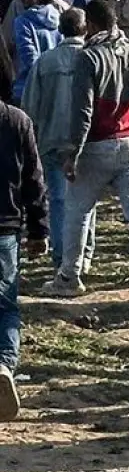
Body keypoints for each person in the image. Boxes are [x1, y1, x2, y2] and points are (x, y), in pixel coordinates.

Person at [39, 0, 129, 296]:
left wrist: (73, 154)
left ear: (90, 26)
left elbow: (83, 112)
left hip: (96, 144)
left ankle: (69, 276)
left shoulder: (88, 58)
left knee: (77, 210)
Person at [20, 8, 87, 270]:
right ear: (85, 29)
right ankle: (84, 255)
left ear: (60, 31)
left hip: (51, 138)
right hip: (84, 139)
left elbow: (30, 106)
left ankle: (61, 255)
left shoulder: (45, 62)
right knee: (84, 199)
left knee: (58, 199)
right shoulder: (92, 58)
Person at [0, 94, 45, 423]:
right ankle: (3, 364)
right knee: (5, 305)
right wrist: (38, 229)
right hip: (5, 229)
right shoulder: (17, 120)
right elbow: (33, 180)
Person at [12, 0, 62, 103]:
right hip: (56, 88)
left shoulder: (23, 21)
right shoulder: (60, 18)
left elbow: (29, 58)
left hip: (27, 90)